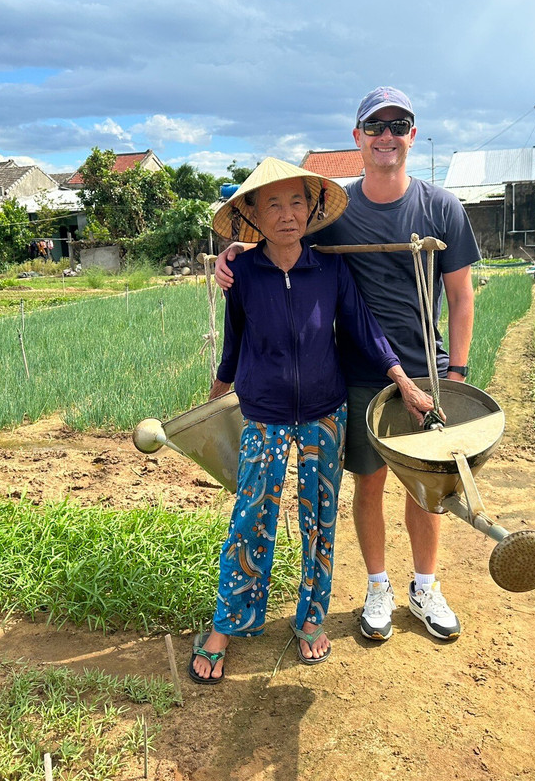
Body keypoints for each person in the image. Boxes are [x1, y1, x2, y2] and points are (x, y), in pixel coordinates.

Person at [216, 86, 480, 643]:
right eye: (375, 127)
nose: (387, 136)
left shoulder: (442, 207)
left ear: (412, 134)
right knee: (368, 484)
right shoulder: (337, 214)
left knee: (427, 489)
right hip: (354, 376)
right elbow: (277, 240)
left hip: (426, 371)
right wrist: (232, 255)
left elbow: (460, 295)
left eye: (398, 125)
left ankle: (425, 587)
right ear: (357, 137)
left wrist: (455, 375)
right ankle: (378, 587)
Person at [189, 157, 434, 684]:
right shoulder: (245, 275)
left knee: (320, 521)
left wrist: (407, 385)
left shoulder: (331, 269)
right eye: (272, 203)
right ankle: (225, 627)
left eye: (297, 201)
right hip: (264, 417)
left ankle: (311, 619)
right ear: (252, 214)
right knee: (250, 519)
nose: (286, 214)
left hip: (326, 413)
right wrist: (211, 404)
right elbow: (233, 348)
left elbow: (366, 332)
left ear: (312, 208)